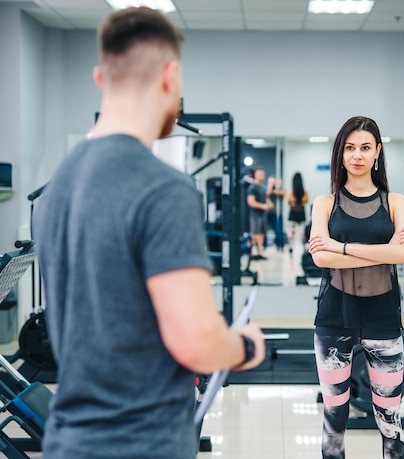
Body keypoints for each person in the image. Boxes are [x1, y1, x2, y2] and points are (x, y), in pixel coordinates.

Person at [32, 8, 265, 459]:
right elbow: (196, 343)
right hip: (140, 443)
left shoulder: (56, 186)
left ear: (101, 77)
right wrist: (244, 345)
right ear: (170, 77)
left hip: (68, 440)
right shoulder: (163, 188)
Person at [307, 116, 404, 459]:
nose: (357, 155)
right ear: (341, 153)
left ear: (377, 152)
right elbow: (320, 260)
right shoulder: (326, 203)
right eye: (350, 147)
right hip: (333, 318)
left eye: (365, 147)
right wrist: (383, 253)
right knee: (334, 419)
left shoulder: (394, 202)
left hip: (383, 318)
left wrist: (341, 246)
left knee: (389, 420)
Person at [247, 166, 273, 259]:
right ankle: (253, 252)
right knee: (255, 233)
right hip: (255, 215)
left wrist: (269, 204)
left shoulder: (263, 187)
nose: (261, 176)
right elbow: (251, 202)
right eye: (260, 174)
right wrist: (263, 206)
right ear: (256, 175)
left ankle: (259, 252)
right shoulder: (252, 188)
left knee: (262, 233)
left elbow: (266, 199)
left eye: (263, 174)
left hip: (263, 214)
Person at [286, 172, 309, 244]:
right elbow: (305, 201)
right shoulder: (305, 192)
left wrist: (293, 203)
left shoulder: (290, 192)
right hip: (301, 212)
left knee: (291, 233)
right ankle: (303, 247)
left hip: (292, 213)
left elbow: (288, 202)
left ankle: (290, 247)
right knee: (302, 233)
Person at [266, 176, 285, 249]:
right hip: (270, 212)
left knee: (279, 229)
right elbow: (267, 194)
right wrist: (271, 185)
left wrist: (278, 186)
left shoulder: (281, 189)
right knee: (267, 229)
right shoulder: (268, 189)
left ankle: (280, 244)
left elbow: (283, 193)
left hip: (278, 213)